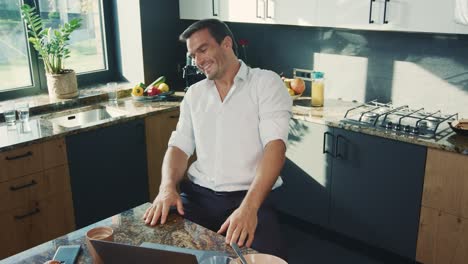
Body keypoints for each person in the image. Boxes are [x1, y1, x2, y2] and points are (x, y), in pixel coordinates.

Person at [142, 19, 292, 259]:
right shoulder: (195, 94)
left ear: (226, 44)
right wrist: (167, 187)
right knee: (158, 250)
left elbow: (275, 147)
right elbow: (179, 146)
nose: (198, 61)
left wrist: (249, 208)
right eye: (193, 55)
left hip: (250, 197)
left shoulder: (265, 83)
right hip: (197, 198)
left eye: (203, 49)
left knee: (265, 259)